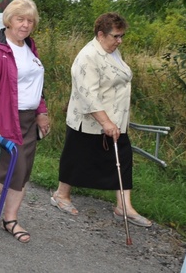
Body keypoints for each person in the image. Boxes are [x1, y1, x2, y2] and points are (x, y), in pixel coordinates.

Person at [50, 13, 151, 227]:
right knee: (76, 157)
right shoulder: (88, 56)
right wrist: (105, 122)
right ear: (101, 34)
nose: (120, 41)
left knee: (122, 157)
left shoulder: (112, 51)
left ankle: (124, 206)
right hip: (88, 121)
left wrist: (113, 121)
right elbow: (88, 93)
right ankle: (61, 195)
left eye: (122, 36)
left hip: (116, 119)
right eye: (116, 36)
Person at [0, 0, 49, 243]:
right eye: (21, 19)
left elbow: (36, 83)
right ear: (9, 20)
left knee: (24, 171)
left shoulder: (30, 46)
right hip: (7, 117)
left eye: (30, 20)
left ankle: (9, 217)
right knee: (12, 166)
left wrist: (42, 111)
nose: (25, 25)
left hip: (29, 118)